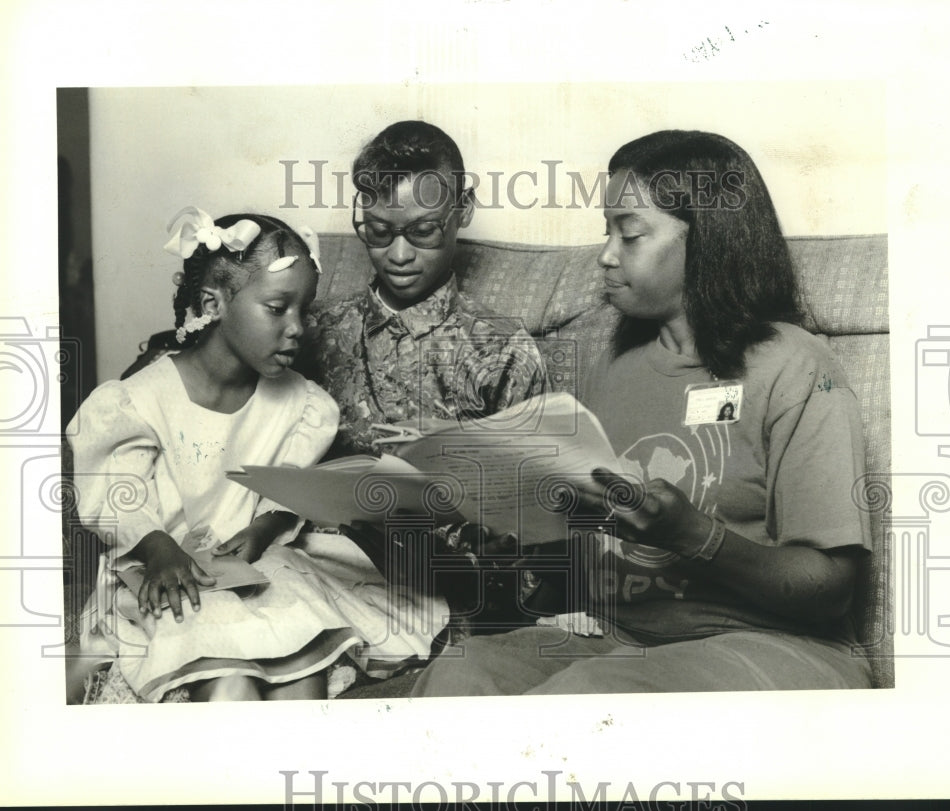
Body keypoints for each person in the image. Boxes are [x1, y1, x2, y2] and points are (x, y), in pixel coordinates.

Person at [411, 130, 874, 695]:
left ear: (706, 240)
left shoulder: (796, 367)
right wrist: (516, 543)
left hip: (772, 644)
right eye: (607, 231)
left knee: (583, 697)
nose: (606, 255)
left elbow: (831, 588)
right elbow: (574, 567)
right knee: (458, 678)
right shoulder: (609, 361)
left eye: (629, 233)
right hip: (617, 638)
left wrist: (692, 534)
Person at [71, 208, 364, 702]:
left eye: (304, 310)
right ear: (215, 302)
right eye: (277, 308)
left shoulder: (303, 405)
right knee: (231, 684)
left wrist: (265, 527)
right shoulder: (137, 401)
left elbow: (289, 481)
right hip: (164, 571)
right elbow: (116, 495)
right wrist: (158, 545)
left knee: (302, 668)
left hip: (257, 565)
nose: (297, 328)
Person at [302, 120, 548, 458]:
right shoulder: (308, 329)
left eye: (423, 230)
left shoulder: (505, 351)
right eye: (378, 231)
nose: (399, 256)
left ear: (463, 210)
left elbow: (533, 486)